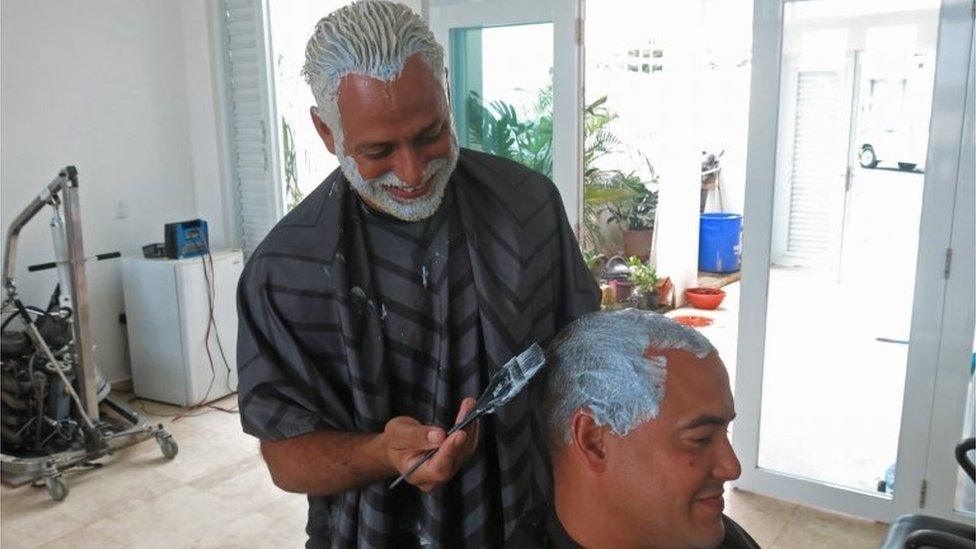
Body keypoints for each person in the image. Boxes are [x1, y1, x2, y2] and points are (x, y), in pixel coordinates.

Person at [234, 1, 600, 547]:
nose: (411, 171)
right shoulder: (286, 271)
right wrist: (380, 452)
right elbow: (286, 458)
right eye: (377, 150)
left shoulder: (527, 208)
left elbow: (583, 355)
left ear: (446, 92)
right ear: (326, 132)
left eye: (431, 134)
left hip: (533, 519)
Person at [505, 310, 759, 549]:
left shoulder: (719, 534)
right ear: (594, 442)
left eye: (724, 432)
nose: (732, 467)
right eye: (700, 439)